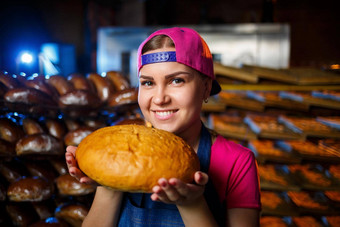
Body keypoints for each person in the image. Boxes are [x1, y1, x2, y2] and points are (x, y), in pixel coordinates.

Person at [66, 27, 261, 227]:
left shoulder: (237, 162)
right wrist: (109, 183)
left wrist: (192, 205)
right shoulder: (122, 152)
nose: (159, 99)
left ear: (206, 88)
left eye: (177, 80)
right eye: (148, 83)